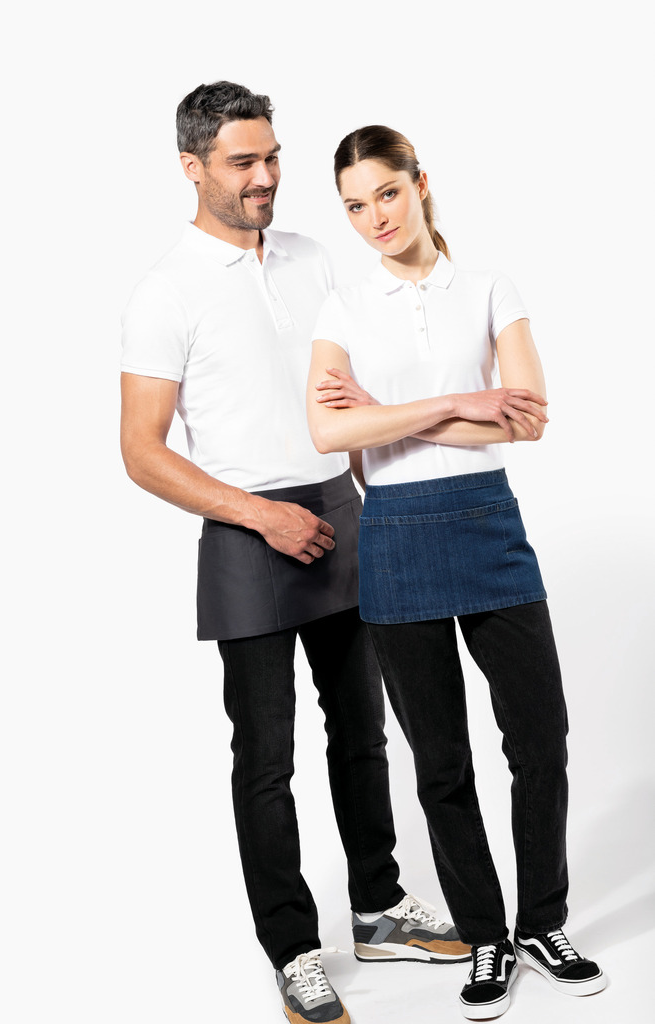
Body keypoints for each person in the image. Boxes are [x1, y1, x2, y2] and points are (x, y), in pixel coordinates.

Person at [120, 85, 470, 1024]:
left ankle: (379, 908)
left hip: (344, 518)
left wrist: (386, 496)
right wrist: (260, 517)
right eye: (243, 161)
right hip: (247, 534)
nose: (266, 176)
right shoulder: (164, 291)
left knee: (363, 732)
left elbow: (346, 394)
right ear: (192, 167)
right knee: (265, 759)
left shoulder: (314, 257)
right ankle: (292, 949)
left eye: (272, 156)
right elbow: (141, 451)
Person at [306, 124, 605, 1020]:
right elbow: (328, 431)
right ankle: (486, 936)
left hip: (488, 525)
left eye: (386, 193)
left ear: (421, 183)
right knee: (440, 761)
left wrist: (390, 413)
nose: (375, 218)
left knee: (540, 740)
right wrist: (456, 402)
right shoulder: (342, 309)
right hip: (394, 538)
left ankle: (542, 922)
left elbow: (528, 419)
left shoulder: (488, 289)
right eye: (354, 206)